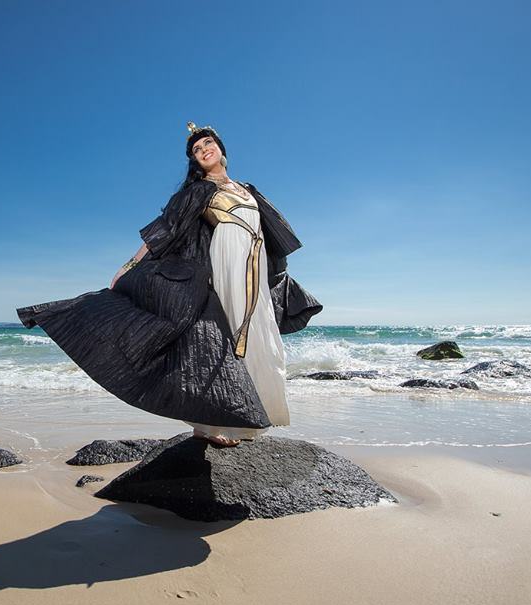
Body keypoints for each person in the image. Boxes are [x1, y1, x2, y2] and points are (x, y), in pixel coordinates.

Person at [17, 122, 322, 447]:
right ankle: (205, 425)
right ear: (195, 161)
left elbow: (272, 230)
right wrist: (131, 264)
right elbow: (168, 226)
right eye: (196, 150)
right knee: (216, 337)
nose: (204, 150)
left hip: (253, 265)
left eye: (207, 143)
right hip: (225, 261)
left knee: (258, 335)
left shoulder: (246, 188)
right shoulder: (200, 190)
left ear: (220, 148)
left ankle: (246, 418)